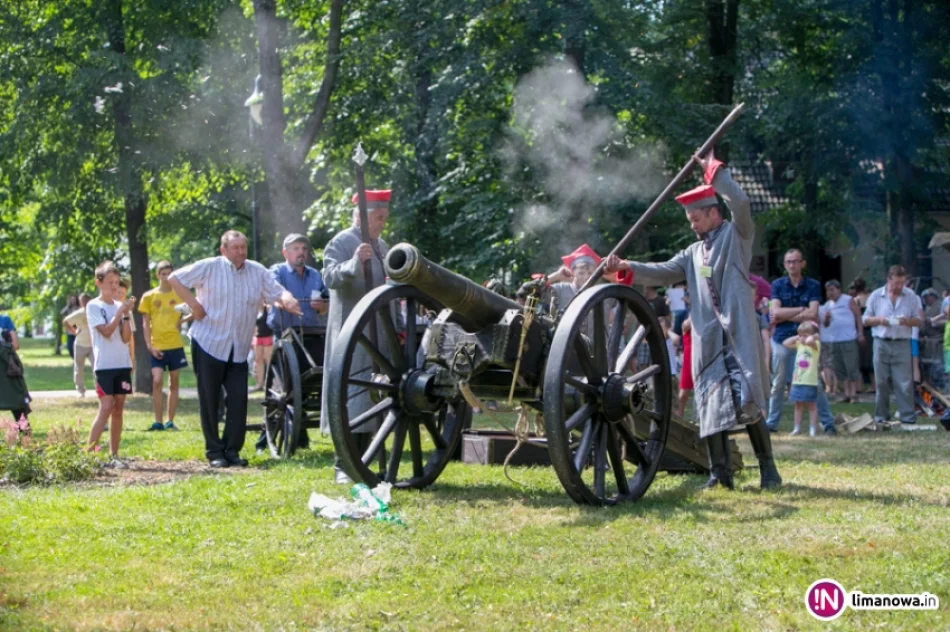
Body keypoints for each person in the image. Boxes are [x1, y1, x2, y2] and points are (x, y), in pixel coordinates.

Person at [605, 148, 782, 490]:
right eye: (690, 221)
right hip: (707, 339)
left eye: (696, 219)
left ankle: (769, 470)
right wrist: (628, 267)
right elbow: (663, 270)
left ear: (714, 213)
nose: (693, 226)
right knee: (711, 405)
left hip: (738, 337)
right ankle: (720, 473)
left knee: (749, 401)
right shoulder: (692, 253)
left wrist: (716, 173)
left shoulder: (737, 235)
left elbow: (741, 203)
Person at [169, 230, 301, 468]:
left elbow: (276, 291)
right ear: (224, 250)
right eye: (235, 247)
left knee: (239, 400)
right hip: (208, 342)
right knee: (210, 400)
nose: (240, 252)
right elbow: (174, 279)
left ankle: (232, 450)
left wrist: (288, 299)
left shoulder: (257, 271)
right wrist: (194, 305)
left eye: (243, 247)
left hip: (239, 348)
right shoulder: (209, 267)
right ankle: (214, 452)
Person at [322, 190, 392, 484]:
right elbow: (329, 277)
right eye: (378, 218)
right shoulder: (340, 242)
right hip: (351, 333)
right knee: (349, 396)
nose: (382, 224)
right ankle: (344, 464)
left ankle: (366, 461)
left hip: (377, 333)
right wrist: (353, 263)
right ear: (361, 217)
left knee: (372, 397)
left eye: (384, 218)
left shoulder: (382, 246)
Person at [257, 233, 330, 451]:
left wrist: (322, 306)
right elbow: (272, 293)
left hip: (313, 334)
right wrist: (284, 300)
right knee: (282, 389)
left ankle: (300, 435)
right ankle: (265, 438)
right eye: (296, 249)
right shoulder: (277, 271)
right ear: (285, 252)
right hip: (286, 336)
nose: (301, 253)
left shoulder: (315, 275)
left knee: (311, 380)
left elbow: (326, 304)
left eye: (304, 249)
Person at [765, 250, 837, 435]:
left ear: (802, 263)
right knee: (778, 382)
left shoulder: (812, 285)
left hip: (807, 341)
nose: (792, 265)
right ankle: (771, 423)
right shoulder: (777, 285)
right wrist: (801, 310)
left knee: (815, 382)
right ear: (784, 264)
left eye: (795, 261)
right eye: (788, 262)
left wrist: (784, 315)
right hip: (783, 340)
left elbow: (813, 314)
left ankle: (828, 423)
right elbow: (775, 313)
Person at [85, 261, 135, 466]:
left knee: (118, 408)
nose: (114, 286)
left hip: (122, 364)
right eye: (110, 282)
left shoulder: (120, 307)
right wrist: (119, 312)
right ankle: (88, 454)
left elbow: (125, 338)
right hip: (104, 366)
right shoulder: (93, 306)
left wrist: (126, 314)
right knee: (106, 407)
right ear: (99, 282)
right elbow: (106, 332)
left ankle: (114, 455)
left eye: (116, 282)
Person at [862, 265, 922, 424]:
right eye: (896, 283)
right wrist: (880, 320)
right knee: (881, 382)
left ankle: (907, 418)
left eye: (902, 282)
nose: (900, 286)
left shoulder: (911, 296)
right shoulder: (876, 295)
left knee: (904, 382)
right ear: (888, 279)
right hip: (881, 342)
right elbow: (865, 319)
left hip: (902, 342)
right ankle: (881, 417)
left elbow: (918, 320)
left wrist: (907, 321)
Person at [139, 261, 189, 432]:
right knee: (157, 380)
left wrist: (182, 321)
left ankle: (170, 421)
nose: (166, 277)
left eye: (169, 274)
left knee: (174, 382)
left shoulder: (180, 294)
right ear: (157, 275)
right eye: (163, 274)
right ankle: (158, 422)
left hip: (175, 344)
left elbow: (194, 309)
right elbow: (145, 323)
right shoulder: (149, 296)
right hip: (157, 346)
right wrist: (149, 345)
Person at [783, 321, 821, 436]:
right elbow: (785, 343)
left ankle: (812, 429)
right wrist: (798, 337)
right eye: (801, 335)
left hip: (810, 381)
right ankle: (797, 428)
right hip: (798, 380)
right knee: (798, 405)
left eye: (805, 335)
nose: (803, 338)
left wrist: (814, 336)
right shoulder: (799, 344)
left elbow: (809, 341)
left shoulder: (816, 344)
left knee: (811, 406)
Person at [63, 294, 95, 397]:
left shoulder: (96, 311)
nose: (85, 303)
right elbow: (65, 321)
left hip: (93, 345)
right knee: (79, 368)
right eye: (82, 302)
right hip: (80, 344)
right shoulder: (79, 313)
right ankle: (80, 390)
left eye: (86, 301)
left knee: (97, 368)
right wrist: (74, 331)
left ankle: (99, 389)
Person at [849, 277, 875, 393]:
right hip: (872, 331)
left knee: (859, 360)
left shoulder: (855, 301)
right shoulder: (871, 298)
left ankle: (859, 387)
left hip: (860, 332)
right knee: (871, 360)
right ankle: (874, 386)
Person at [676, 317, 693, 418]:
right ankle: (680, 415)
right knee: (683, 394)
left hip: (703, 357)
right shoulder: (687, 322)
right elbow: (686, 325)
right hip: (688, 359)